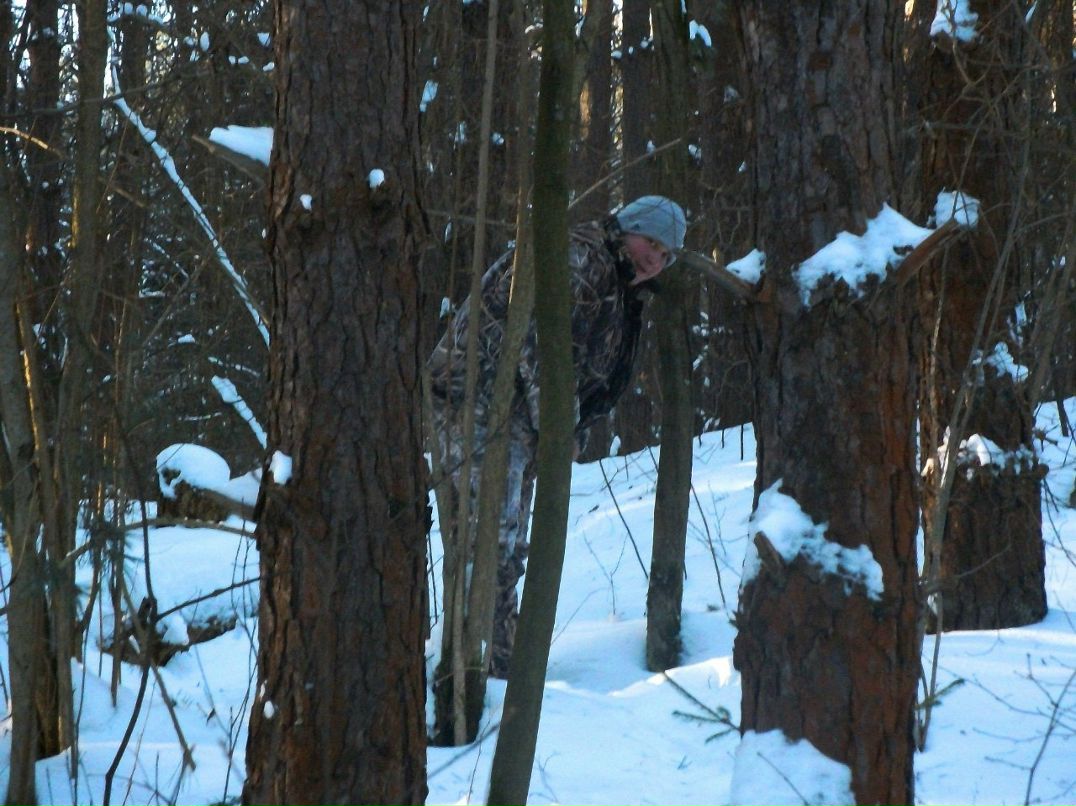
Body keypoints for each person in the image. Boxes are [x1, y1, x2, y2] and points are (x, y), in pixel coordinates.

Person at [428, 195, 687, 679]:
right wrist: (558, 427)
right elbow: (542, 343)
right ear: (627, 228)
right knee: (490, 541)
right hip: (480, 402)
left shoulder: (616, 280)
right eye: (651, 242)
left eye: (666, 254)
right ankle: (472, 673)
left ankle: (496, 663)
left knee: (505, 542)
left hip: (516, 416)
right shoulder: (583, 257)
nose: (656, 259)